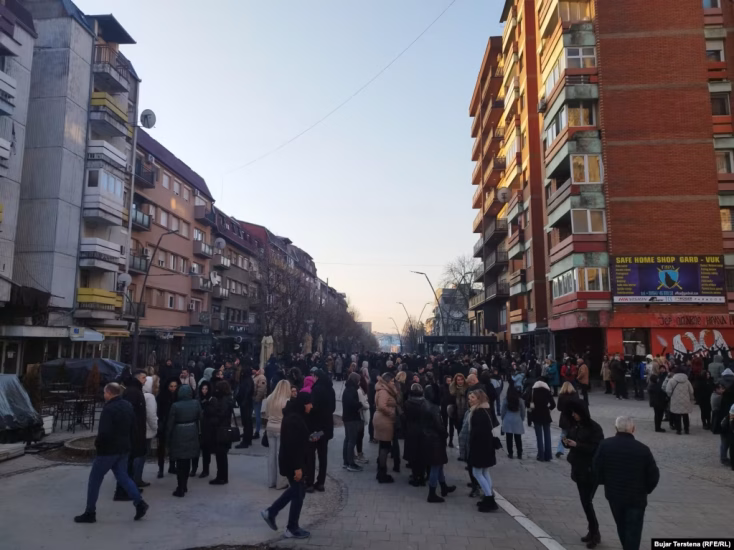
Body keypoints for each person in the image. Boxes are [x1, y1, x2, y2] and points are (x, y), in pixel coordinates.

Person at [74, 383, 149, 523]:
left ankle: (90, 512)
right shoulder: (128, 405)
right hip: (124, 448)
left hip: (108, 450)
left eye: (104, 393)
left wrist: (98, 446)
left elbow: (104, 432)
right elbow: (134, 427)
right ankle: (139, 503)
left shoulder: (108, 409)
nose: (104, 395)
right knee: (123, 477)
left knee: (95, 479)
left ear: (108, 393)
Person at [593, 417, 660, 550]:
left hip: (614, 494)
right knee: (634, 529)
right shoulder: (643, 449)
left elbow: (596, 467)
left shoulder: (605, 445)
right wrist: (646, 489)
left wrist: (605, 481)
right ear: (633, 429)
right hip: (636, 496)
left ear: (616, 428)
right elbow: (654, 475)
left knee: (621, 525)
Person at [261, 392, 313, 539]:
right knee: (298, 492)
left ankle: (273, 514)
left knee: (297, 492)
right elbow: (292, 446)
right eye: (310, 403)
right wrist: (297, 468)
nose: (311, 406)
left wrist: (309, 438)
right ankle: (289, 526)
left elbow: (298, 440)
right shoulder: (293, 419)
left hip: (292, 462)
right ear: (304, 404)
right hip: (292, 464)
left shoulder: (296, 416)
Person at [563, 400, 604, 549]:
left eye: (576, 412)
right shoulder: (575, 425)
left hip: (590, 470)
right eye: (572, 412)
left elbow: (597, 448)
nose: (574, 415)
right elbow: (570, 438)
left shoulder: (594, 428)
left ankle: (595, 532)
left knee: (587, 502)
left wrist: (577, 445)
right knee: (585, 502)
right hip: (578, 468)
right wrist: (566, 442)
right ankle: (593, 530)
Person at [114, 370, 147, 501]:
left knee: (130, 462)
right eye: (143, 378)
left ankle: (130, 487)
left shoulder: (134, 390)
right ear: (138, 378)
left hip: (134, 431)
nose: (145, 380)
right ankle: (122, 491)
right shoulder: (133, 392)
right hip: (131, 433)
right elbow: (129, 413)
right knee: (127, 463)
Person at [166, 385, 202, 497]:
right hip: (192, 431)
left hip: (179, 433)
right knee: (187, 461)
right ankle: (184, 485)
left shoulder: (175, 406)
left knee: (180, 462)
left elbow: (170, 424)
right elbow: (201, 418)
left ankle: (180, 487)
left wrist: (168, 438)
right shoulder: (196, 403)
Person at [467, 389, 499, 512]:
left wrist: (471, 445)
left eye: (473, 397)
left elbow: (476, 433)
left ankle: (489, 499)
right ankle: (488, 496)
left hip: (480, 447)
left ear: (479, 399)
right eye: (470, 397)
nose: (470, 400)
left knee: (477, 473)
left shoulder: (478, 413)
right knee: (485, 472)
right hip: (487, 445)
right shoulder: (487, 410)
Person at [422, 385, 455, 503]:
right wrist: (445, 434)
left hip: (428, 437)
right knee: (436, 466)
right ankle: (432, 493)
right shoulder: (433, 408)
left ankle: (443, 486)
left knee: (439, 464)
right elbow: (438, 425)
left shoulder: (424, 404)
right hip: (435, 439)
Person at [305, 369, 335, 492]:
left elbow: (313, 408)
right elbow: (333, 408)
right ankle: (321, 482)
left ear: (317, 377)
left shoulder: (316, 389)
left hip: (315, 429)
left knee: (311, 455)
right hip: (326, 429)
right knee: (323, 456)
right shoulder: (331, 390)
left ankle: (310, 483)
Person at [263, 380, 292, 488]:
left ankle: (271, 481)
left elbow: (266, 414)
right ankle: (281, 482)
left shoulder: (270, 398)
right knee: (281, 456)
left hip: (270, 428)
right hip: (282, 429)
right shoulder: (287, 401)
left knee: (271, 455)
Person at [373, 371, 398, 483]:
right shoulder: (383, 391)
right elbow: (382, 406)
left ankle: (381, 471)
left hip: (383, 419)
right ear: (387, 381)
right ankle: (382, 473)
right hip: (384, 420)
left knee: (383, 446)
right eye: (392, 381)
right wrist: (391, 413)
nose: (393, 383)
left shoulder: (384, 389)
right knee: (385, 447)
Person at [210, 380, 235, 485]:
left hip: (221, 429)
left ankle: (221, 477)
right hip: (225, 428)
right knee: (222, 455)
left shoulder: (223, 400)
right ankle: (222, 476)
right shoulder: (228, 399)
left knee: (220, 455)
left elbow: (221, 414)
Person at [156, 377, 181, 478]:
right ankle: (161, 468)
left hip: (174, 424)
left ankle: (172, 466)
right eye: (171, 386)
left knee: (174, 446)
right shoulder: (161, 397)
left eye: (175, 386)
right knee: (161, 447)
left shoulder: (179, 396)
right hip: (163, 424)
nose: (173, 388)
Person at [136, 376, 158, 487]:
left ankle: (136, 477)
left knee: (138, 454)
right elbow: (151, 415)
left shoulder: (140, 395)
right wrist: (155, 427)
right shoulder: (150, 397)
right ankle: (137, 478)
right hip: (147, 430)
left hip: (139, 429)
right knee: (142, 455)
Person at [403, 383, 426, 486]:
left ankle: (415, 476)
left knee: (413, 454)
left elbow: (405, 417)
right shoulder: (425, 403)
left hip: (411, 430)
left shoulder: (408, 403)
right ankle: (422, 476)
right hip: (423, 430)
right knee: (422, 454)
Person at [527, 379, 556, 461]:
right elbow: (553, 404)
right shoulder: (547, 392)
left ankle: (541, 455)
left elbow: (527, 403)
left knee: (539, 437)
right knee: (547, 436)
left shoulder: (533, 392)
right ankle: (548, 455)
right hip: (546, 415)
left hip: (536, 415)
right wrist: (548, 409)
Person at [342, 372, 364, 472]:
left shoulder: (348, 388)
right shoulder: (352, 390)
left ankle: (346, 461)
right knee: (351, 441)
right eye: (358, 380)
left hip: (347, 417)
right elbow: (352, 404)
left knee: (347, 440)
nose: (359, 382)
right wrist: (360, 404)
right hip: (352, 418)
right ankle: (351, 463)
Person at [197, 380, 217, 478]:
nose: (204, 391)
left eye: (206, 389)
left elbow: (213, 412)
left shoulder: (212, 399)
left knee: (206, 449)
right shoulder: (198, 399)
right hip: (200, 427)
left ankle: (206, 469)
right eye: (203, 389)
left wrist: (206, 406)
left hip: (208, 429)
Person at [666, 366, 695, 435]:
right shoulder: (687, 381)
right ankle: (686, 429)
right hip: (685, 400)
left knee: (677, 415)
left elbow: (668, 390)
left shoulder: (672, 380)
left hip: (675, 400)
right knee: (685, 415)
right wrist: (690, 398)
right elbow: (691, 391)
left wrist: (671, 396)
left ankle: (678, 430)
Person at [500, 384, 525, 459]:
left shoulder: (506, 399)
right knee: (518, 438)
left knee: (509, 438)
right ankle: (519, 453)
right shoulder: (520, 400)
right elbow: (523, 411)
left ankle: (510, 453)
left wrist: (502, 419)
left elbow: (503, 411)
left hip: (508, 419)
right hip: (517, 419)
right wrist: (522, 418)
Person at [556, 382, 579, 458]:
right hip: (573, 417)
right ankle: (573, 450)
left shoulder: (561, 396)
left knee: (563, 435)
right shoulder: (575, 395)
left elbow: (559, 408)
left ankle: (560, 449)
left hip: (564, 417)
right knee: (574, 435)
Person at [235, 365, 254, 449]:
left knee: (246, 422)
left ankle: (246, 441)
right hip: (246, 403)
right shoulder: (247, 380)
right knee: (247, 422)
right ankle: (248, 439)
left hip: (246, 404)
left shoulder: (247, 380)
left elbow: (247, 392)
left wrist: (243, 401)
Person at [356, 370, 370, 464]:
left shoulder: (359, 390)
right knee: (359, 436)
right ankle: (359, 454)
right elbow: (362, 404)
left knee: (359, 436)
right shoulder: (360, 391)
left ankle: (358, 453)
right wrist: (367, 405)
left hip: (360, 416)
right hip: (360, 416)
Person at [439, 375, 454, 447]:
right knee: (444, 424)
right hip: (444, 407)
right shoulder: (442, 387)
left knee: (451, 425)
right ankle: (444, 440)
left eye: (450, 381)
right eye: (448, 381)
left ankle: (450, 441)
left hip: (451, 408)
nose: (449, 382)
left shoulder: (453, 387)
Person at [253, 368, 267, 439]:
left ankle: (257, 431)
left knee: (257, 415)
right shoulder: (255, 376)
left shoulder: (261, 377)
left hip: (256, 399)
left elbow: (261, 389)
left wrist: (257, 398)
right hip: (253, 398)